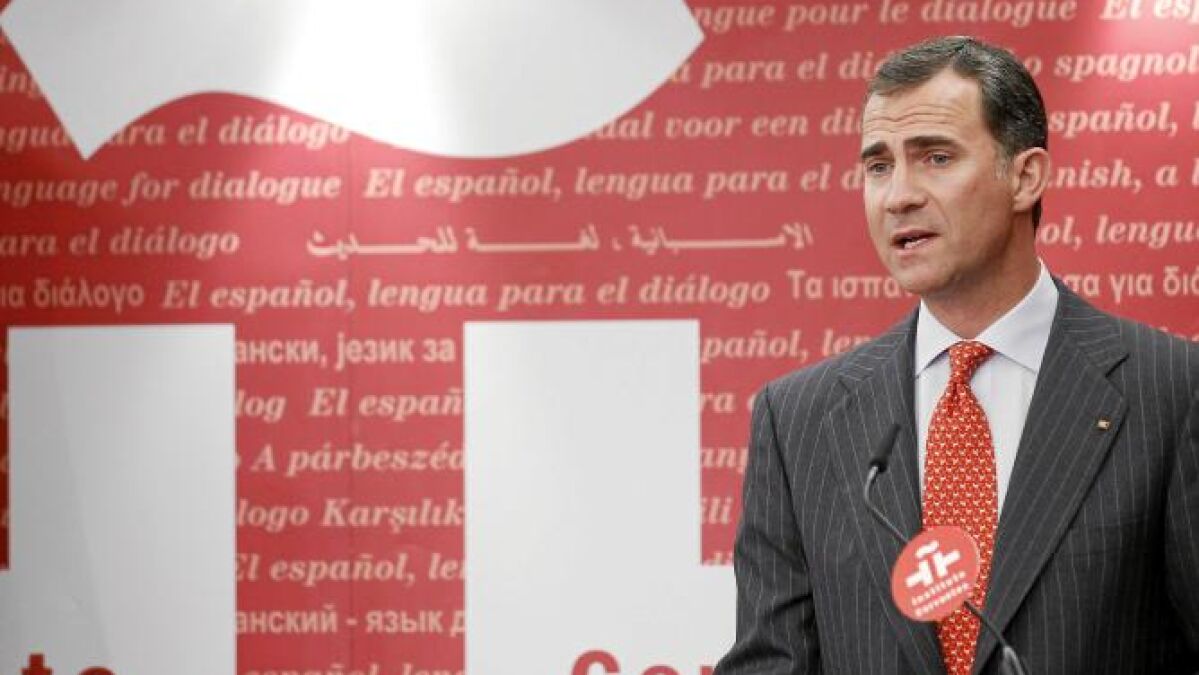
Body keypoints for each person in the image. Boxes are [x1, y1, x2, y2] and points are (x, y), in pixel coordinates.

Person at [713, 36, 1199, 674]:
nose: (898, 196)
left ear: (1025, 177)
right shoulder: (798, 419)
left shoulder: (1173, 390)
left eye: (936, 157)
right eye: (878, 166)